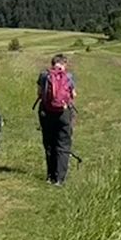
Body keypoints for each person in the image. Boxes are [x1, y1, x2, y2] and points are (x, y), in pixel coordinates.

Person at [34, 52, 77, 186]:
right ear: (65, 64)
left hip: (46, 112)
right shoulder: (69, 77)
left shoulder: (44, 75)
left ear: (52, 64)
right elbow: (73, 95)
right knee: (63, 143)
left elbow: (39, 93)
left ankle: (50, 176)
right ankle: (60, 179)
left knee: (49, 143)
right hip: (64, 112)